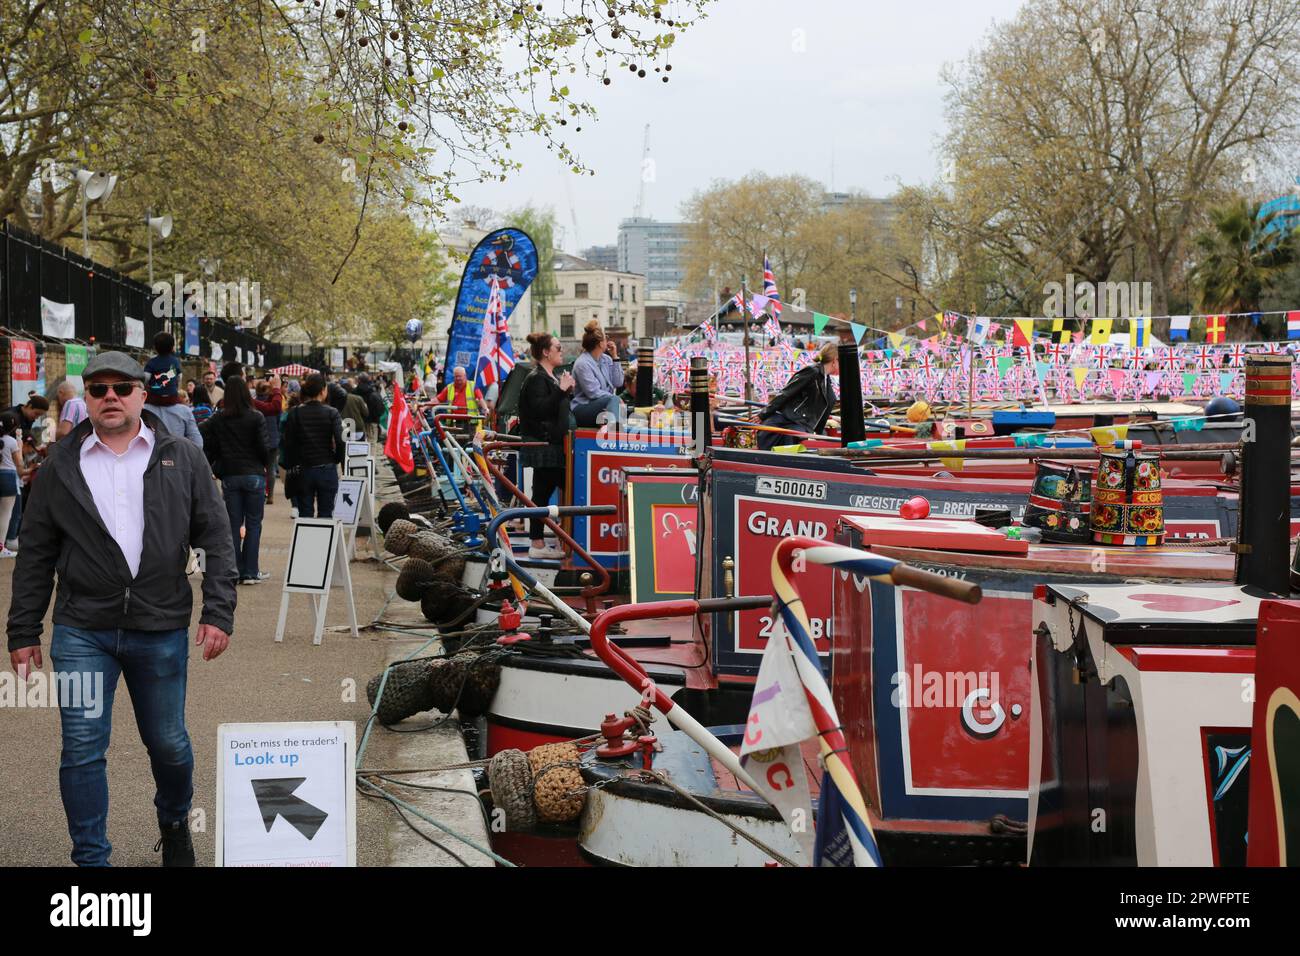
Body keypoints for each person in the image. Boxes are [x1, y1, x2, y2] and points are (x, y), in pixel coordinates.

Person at [5, 350, 237, 867]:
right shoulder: (59, 466)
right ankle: (91, 860)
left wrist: (218, 612)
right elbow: (36, 554)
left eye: (121, 388)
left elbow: (217, 539)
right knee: (82, 747)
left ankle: (175, 823)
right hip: (81, 630)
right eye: (98, 389)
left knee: (170, 744)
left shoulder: (182, 456)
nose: (110, 396)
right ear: (85, 399)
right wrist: (22, 630)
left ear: (141, 394)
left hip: (159, 627)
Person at [200, 377, 271, 585]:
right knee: (254, 524)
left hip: (230, 474)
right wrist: (264, 464)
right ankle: (251, 571)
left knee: (232, 525)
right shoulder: (256, 417)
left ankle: (235, 569)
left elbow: (201, 431)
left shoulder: (219, 418)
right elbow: (263, 447)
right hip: (253, 474)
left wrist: (214, 458)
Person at [518, 333, 575, 558]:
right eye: (558, 347)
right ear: (546, 352)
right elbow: (541, 410)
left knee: (541, 493)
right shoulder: (536, 379)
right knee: (563, 487)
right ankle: (541, 543)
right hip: (545, 446)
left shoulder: (549, 377)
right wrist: (562, 391)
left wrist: (565, 391)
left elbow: (557, 409)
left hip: (553, 445)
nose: (561, 351)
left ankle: (538, 543)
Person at [281, 373, 344, 518]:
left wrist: (293, 462)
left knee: (305, 514)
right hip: (326, 467)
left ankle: (306, 540)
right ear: (323, 391)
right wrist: (336, 458)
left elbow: (288, 443)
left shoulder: (294, 413)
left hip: (304, 468)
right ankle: (324, 541)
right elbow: (340, 441)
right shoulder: (332, 413)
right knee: (326, 513)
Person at [756, 341, 839, 451]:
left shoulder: (825, 378)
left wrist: (819, 434)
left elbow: (824, 408)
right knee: (793, 438)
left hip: (804, 426)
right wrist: (763, 414)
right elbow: (786, 393)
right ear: (835, 361)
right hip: (789, 421)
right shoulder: (812, 372)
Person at [571, 320, 625, 427]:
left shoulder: (606, 359)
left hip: (604, 405)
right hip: (583, 407)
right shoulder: (582, 364)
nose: (608, 341)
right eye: (606, 338)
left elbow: (618, 383)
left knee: (617, 404)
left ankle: (617, 431)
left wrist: (615, 357)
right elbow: (593, 393)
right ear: (601, 344)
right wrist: (616, 399)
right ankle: (614, 432)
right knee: (614, 399)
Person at [0, 413, 33, 557]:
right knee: (5, 515)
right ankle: (1, 548)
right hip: (8, 477)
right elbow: (20, 469)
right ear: (14, 427)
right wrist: (32, 469)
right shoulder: (11, 442)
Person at [252, 376, 284, 504]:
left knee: (258, 468)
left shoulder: (253, 404)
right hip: (273, 439)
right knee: (270, 469)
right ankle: (270, 495)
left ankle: (259, 493)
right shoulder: (274, 405)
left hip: (257, 441)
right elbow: (279, 422)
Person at [144, 332, 184, 408]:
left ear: (155, 347)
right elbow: (180, 377)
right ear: (172, 347)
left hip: (155, 398)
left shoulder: (152, 362)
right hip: (172, 398)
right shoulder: (175, 361)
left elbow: (146, 378)